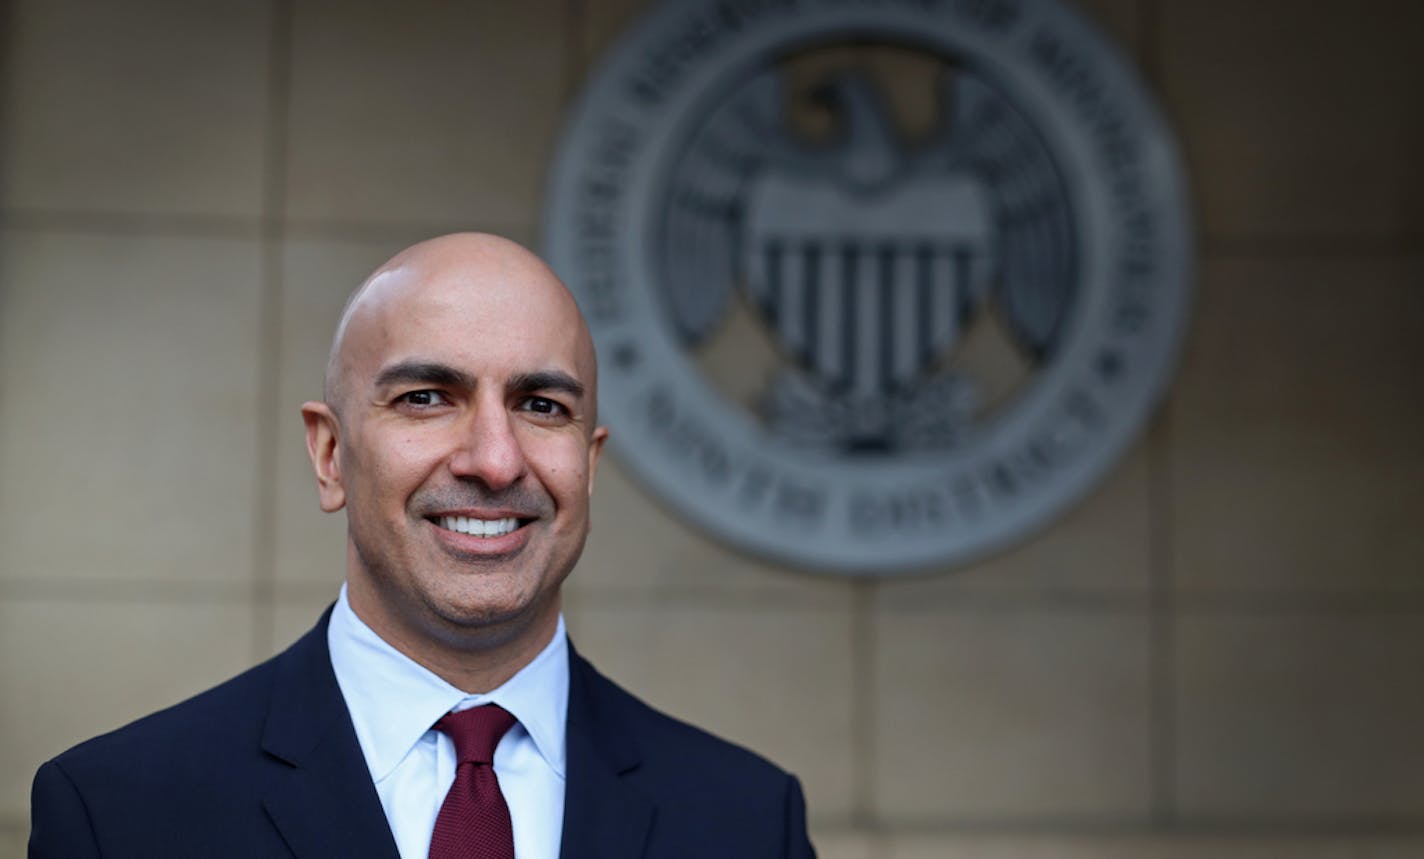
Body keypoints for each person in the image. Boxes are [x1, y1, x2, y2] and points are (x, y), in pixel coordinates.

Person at [28, 233, 816, 858]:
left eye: (541, 405)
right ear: (330, 454)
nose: (496, 460)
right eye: (428, 397)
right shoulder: (118, 814)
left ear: (591, 462)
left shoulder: (747, 822)